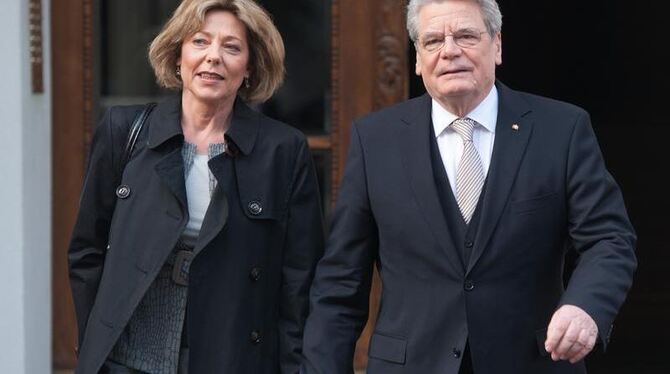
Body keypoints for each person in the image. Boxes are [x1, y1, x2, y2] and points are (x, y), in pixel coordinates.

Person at [300, 0, 636, 373]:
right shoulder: (375, 140)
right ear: (416, 59)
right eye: (432, 41)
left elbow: (609, 239)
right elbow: (341, 281)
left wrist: (585, 305)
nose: (450, 51)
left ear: (497, 45)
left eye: (465, 36)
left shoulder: (561, 130)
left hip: (532, 362)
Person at [68, 0, 324, 373]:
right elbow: (86, 252)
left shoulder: (283, 150)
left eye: (232, 47)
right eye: (200, 42)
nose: (213, 57)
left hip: (232, 356)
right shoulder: (124, 131)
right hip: (129, 357)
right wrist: (96, 343)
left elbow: (299, 280)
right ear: (177, 55)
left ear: (250, 67)